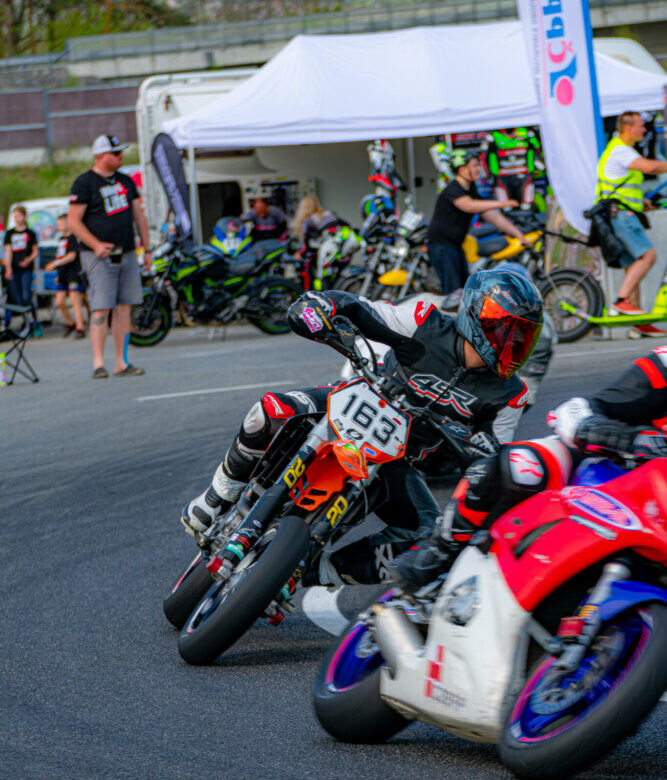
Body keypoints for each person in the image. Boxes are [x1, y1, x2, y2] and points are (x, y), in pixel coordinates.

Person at [181, 265, 543, 586]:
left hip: (395, 461)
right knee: (268, 412)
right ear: (477, 315)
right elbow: (360, 308)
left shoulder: (510, 396)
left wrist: (480, 456)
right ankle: (215, 497)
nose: (513, 343)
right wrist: (322, 306)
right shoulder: (424, 321)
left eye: (523, 335)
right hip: (352, 398)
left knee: (426, 535)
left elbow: (493, 466)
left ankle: (317, 571)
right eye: (505, 328)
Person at [393, 347, 667, 592]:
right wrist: (615, 435)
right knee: (522, 464)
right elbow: (580, 409)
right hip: (620, 483)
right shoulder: (663, 365)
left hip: (659, 518)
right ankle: (441, 549)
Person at [68, 134, 151, 379]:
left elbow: (139, 216)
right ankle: (98, 363)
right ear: (101, 156)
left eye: (121, 152)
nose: (121, 156)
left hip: (127, 252)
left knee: (124, 307)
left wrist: (147, 249)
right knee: (101, 308)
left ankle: (121, 362)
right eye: (116, 153)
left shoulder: (125, 181)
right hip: (99, 256)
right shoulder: (84, 183)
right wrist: (95, 245)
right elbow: (73, 221)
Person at [596, 110, 667, 336]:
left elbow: (623, 187)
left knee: (633, 265)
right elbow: (650, 168)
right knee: (648, 256)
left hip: (621, 212)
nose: (645, 129)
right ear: (628, 128)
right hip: (621, 215)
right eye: (641, 125)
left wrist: (642, 203)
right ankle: (621, 301)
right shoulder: (620, 149)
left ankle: (638, 322)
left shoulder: (619, 149)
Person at [426, 150, 529, 295]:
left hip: (455, 245)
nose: (478, 169)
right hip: (441, 246)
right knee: (453, 293)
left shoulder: (470, 189)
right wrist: (502, 203)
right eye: (474, 165)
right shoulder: (453, 189)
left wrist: (518, 234)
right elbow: (469, 206)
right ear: (462, 169)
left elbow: (491, 216)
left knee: (464, 289)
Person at [291, 195, 359, 290]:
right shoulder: (330, 214)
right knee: (337, 280)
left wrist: (300, 254)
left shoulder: (309, 221)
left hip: (326, 255)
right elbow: (348, 226)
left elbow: (308, 243)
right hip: (342, 253)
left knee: (322, 280)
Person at [45, 213, 86, 338]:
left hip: (73, 274)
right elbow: (60, 257)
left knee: (74, 300)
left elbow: (72, 256)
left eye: (61, 224)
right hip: (63, 275)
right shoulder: (61, 240)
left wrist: (54, 264)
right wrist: (58, 273)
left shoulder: (73, 238)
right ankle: (70, 322)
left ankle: (80, 327)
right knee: (59, 301)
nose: (59, 226)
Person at [483, 127, 543, 208]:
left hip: (524, 174)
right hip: (502, 176)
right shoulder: (492, 137)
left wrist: (538, 162)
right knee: (505, 206)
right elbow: (484, 156)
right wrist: (487, 174)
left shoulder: (527, 133)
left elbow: (537, 149)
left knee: (527, 205)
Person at [3, 205, 40, 336]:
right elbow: (8, 251)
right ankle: (26, 322)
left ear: (24, 216)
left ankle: (34, 321)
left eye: (19, 216)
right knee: (16, 298)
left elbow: (35, 251)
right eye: (15, 216)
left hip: (26, 269)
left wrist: (28, 260)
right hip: (14, 269)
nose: (17, 218)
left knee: (26, 296)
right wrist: (8, 268)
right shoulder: (10, 233)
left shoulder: (30, 233)